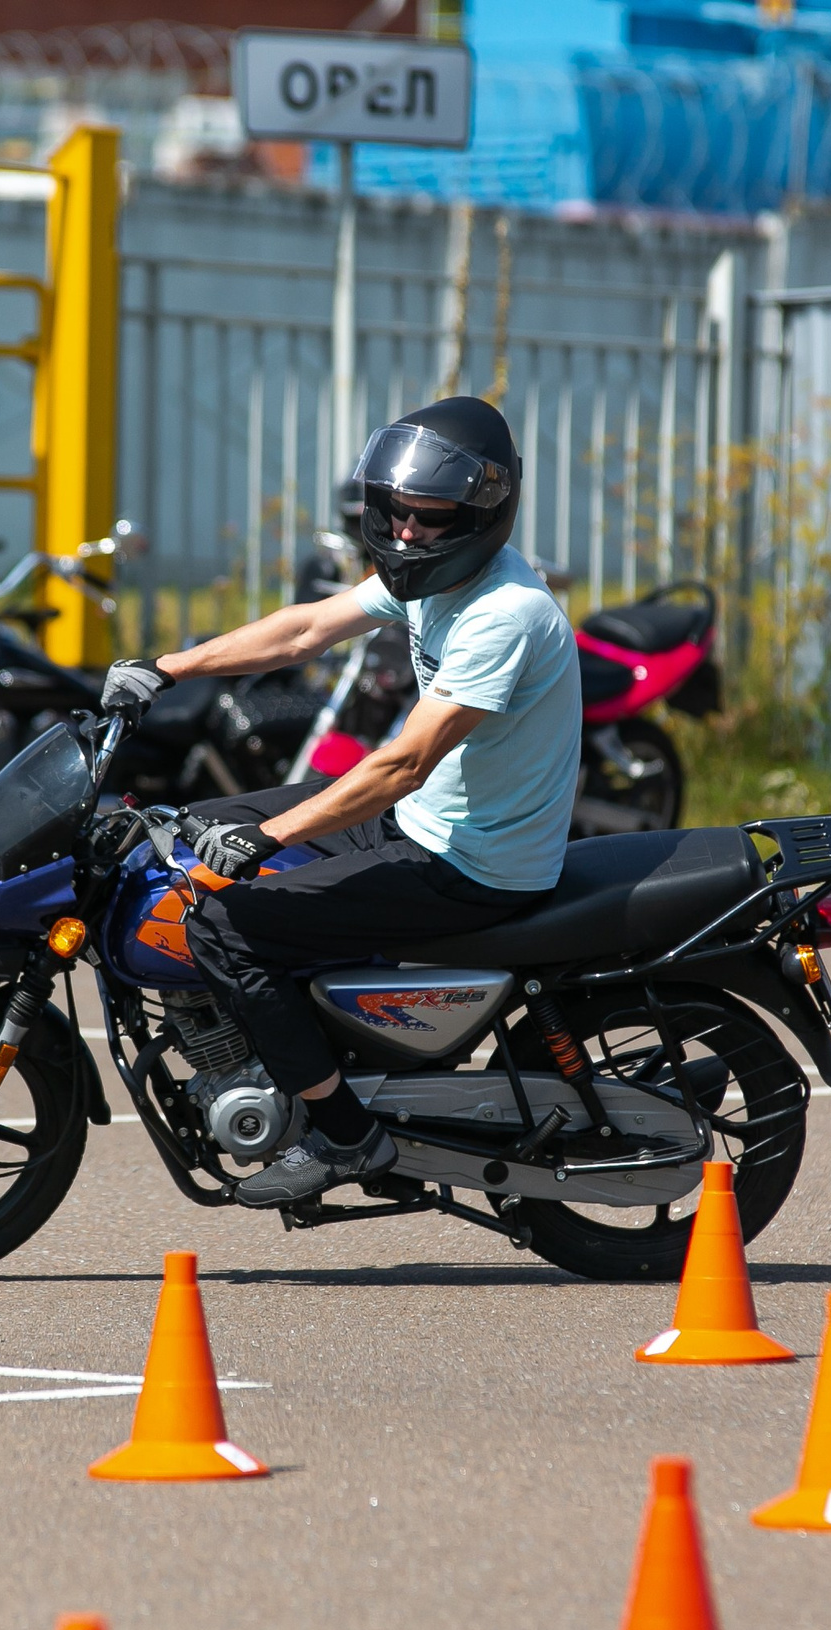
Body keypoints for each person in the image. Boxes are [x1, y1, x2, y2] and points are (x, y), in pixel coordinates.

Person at [99, 396, 581, 1208]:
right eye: (395, 510)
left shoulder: (504, 613)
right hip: (425, 825)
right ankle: (293, 1037)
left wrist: (274, 836)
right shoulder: (429, 576)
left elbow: (404, 764)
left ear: (480, 513)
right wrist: (167, 668)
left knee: (223, 926)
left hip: (473, 864)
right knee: (200, 827)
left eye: (428, 516)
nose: (405, 533)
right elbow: (305, 630)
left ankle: (348, 1135)